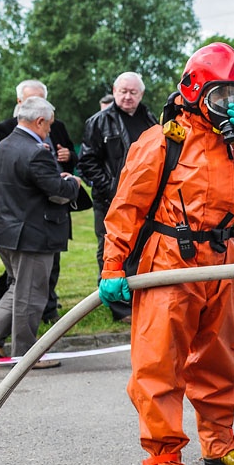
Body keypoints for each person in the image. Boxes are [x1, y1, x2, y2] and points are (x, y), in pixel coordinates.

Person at [97, 42, 234, 465]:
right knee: (159, 365)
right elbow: (125, 209)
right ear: (196, 91)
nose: (233, 105)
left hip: (222, 262)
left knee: (219, 360)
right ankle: (165, 458)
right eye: (224, 95)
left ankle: (219, 442)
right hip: (170, 263)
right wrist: (112, 266)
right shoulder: (161, 141)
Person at [0, 97, 81, 368]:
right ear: (39, 121)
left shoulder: (4, 145)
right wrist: (73, 182)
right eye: (49, 126)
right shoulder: (36, 151)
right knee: (30, 296)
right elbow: (57, 190)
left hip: (6, 231)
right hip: (32, 234)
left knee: (15, 289)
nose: (49, 131)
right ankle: (25, 355)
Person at [78, 72, 158, 323]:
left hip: (144, 201)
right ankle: (118, 307)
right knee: (111, 251)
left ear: (141, 94)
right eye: (123, 91)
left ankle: (137, 299)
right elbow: (88, 162)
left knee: (140, 249)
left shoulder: (150, 119)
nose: (127, 96)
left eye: (133, 92)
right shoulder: (99, 122)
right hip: (110, 200)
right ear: (114, 91)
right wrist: (113, 188)